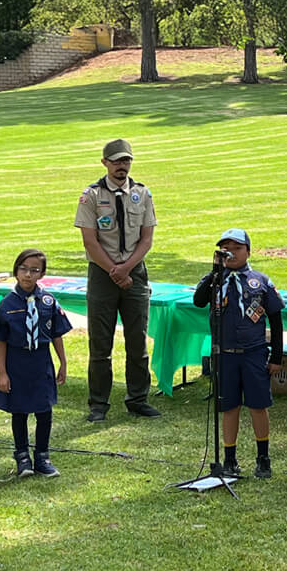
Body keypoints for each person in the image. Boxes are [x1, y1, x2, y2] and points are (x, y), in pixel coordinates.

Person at [74, 138, 159, 422]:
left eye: (126, 161)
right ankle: (98, 403)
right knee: (101, 343)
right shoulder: (92, 196)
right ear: (104, 163)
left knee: (137, 340)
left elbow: (146, 239)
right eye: (116, 161)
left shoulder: (142, 194)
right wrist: (114, 269)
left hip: (134, 271)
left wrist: (126, 269)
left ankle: (137, 399)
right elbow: (90, 240)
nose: (122, 166)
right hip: (102, 272)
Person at [193, 228, 284, 479]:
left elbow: (276, 320)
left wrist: (276, 357)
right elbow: (199, 301)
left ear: (248, 251)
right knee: (229, 407)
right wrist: (214, 273)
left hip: (253, 353)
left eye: (236, 248)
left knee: (258, 405)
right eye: (226, 249)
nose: (231, 253)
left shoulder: (260, 280)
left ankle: (263, 457)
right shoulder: (215, 280)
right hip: (225, 354)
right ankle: (229, 458)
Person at [0, 249, 72, 478]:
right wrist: (2, 372)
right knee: (19, 411)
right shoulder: (7, 303)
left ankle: (43, 456)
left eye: (34, 270)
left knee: (44, 410)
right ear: (16, 271)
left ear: (42, 274)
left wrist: (63, 363)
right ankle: (22, 456)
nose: (28, 275)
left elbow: (57, 334)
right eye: (23, 269)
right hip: (17, 361)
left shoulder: (47, 301)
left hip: (41, 360)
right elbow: (1, 340)